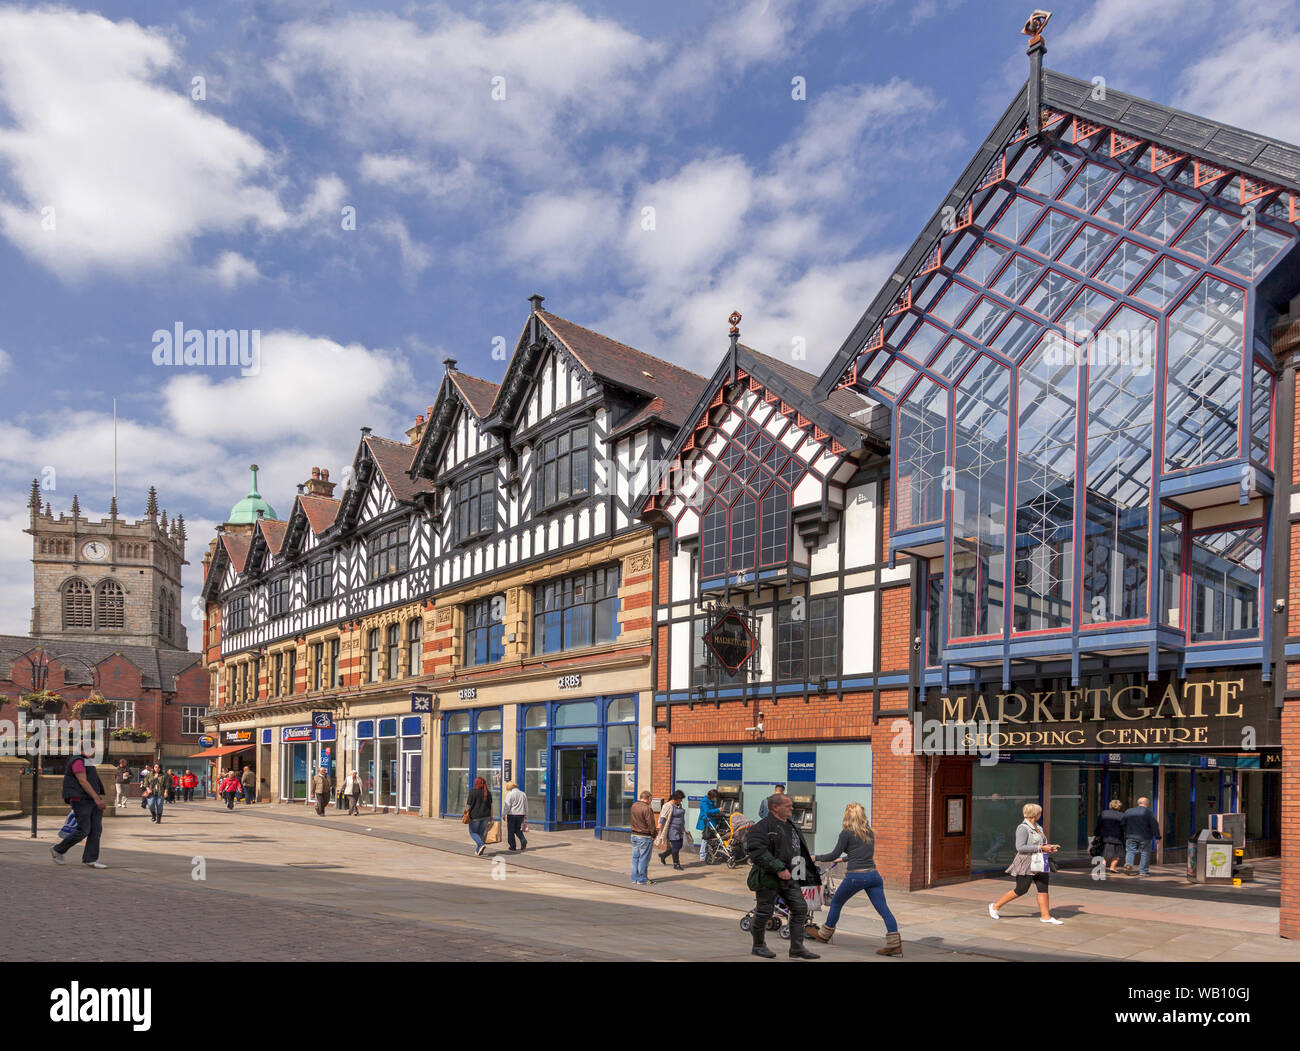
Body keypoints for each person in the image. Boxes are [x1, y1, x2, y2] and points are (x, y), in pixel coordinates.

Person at [810, 802, 901, 955]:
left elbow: (833, 855)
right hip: (874, 876)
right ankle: (894, 944)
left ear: (847, 816)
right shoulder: (869, 832)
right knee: (883, 909)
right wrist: (844, 860)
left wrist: (815, 857)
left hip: (856, 876)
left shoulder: (846, 833)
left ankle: (824, 935)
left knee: (837, 902)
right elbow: (861, 853)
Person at [745, 793, 820, 959]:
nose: (792, 808)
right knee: (764, 912)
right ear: (775, 807)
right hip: (768, 878)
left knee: (800, 909)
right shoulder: (762, 827)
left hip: (791, 877)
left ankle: (797, 948)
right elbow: (757, 851)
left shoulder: (792, 826)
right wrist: (778, 868)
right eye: (788, 806)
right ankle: (758, 945)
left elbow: (797, 849)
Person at [989, 803, 1063, 924]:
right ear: (1034, 814)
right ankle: (995, 906)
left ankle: (1046, 916)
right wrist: (1041, 848)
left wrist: (1049, 847)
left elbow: (1040, 844)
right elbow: (1020, 847)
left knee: (1043, 888)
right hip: (1026, 863)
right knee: (1021, 889)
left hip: (1040, 861)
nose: (1041, 814)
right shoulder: (1022, 828)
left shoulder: (1038, 827)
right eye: (1039, 812)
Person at [52, 746, 108, 869]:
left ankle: (90, 859)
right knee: (84, 830)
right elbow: (82, 781)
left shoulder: (86, 762)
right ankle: (58, 850)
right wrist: (97, 798)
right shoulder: (78, 761)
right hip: (81, 800)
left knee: (96, 830)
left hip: (90, 800)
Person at [1122, 796, 1161, 876]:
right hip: (1145, 837)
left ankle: (1128, 865)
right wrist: (1157, 836)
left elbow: (1122, 823)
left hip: (1131, 835)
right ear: (1147, 804)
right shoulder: (1149, 813)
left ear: (1138, 803)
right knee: (1145, 853)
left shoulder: (1128, 811)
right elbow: (1154, 825)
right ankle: (1143, 871)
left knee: (1130, 851)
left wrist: (1126, 832)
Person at [629, 790, 657, 885]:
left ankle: (634, 878)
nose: (651, 801)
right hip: (644, 836)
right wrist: (654, 834)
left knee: (635, 858)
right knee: (643, 858)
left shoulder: (634, 806)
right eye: (651, 799)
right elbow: (651, 824)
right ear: (648, 798)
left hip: (634, 835)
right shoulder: (647, 809)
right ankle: (642, 879)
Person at [655, 790, 687, 870]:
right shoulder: (668, 805)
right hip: (672, 829)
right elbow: (663, 816)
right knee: (676, 846)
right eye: (680, 799)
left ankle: (664, 855)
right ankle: (676, 864)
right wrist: (659, 826)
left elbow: (681, 817)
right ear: (676, 798)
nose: (681, 800)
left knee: (679, 845)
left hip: (679, 829)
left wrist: (683, 827)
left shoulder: (679, 805)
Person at [1094, 799, 1126, 873]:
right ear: (1119, 807)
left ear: (1110, 805)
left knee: (1104, 854)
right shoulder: (1122, 815)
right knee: (1117, 855)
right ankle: (1112, 867)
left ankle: (1102, 867)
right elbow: (1124, 827)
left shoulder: (1104, 813)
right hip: (1118, 838)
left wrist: (1096, 834)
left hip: (1105, 837)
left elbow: (1099, 825)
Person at [466, 776, 493, 856]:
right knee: (481, 833)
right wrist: (491, 816)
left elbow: (468, 805)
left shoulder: (473, 792)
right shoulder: (488, 792)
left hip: (475, 817)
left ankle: (481, 844)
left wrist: (466, 813)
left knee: (473, 832)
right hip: (486, 816)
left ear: (476, 783)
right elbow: (491, 806)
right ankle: (478, 851)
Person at [696, 788, 723, 863]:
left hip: (711, 821)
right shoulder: (705, 801)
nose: (716, 799)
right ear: (711, 796)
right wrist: (718, 810)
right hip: (706, 822)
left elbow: (712, 809)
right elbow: (707, 811)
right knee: (705, 838)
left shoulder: (710, 801)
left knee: (710, 839)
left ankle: (709, 854)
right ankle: (702, 856)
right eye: (715, 797)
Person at [503, 781, 529, 852]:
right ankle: (523, 839)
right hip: (521, 814)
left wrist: (504, 814)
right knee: (517, 829)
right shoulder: (523, 794)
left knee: (511, 830)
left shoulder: (510, 794)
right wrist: (526, 815)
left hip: (512, 814)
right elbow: (526, 805)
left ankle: (512, 846)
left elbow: (507, 806)